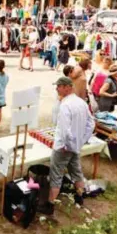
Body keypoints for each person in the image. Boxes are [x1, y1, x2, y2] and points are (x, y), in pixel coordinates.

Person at [39, 77, 95, 215]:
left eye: (58, 86)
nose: (56, 89)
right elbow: (91, 124)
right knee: (76, 172)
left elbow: (65, 130)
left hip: (63, 147)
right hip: (75, 146)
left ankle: (50, 205)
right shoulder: (81, 102)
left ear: (67, 87)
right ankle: (80, 196)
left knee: (56, 175)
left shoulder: (65, 105)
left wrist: (68, 144)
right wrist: (80, 141)